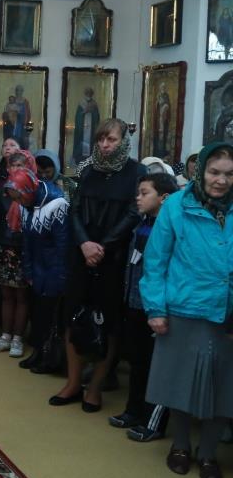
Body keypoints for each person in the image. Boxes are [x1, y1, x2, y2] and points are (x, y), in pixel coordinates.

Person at [141, 143, 233, 478]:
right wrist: (155, 308)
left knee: (225, 389)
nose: (221, 180)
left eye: (229, 174)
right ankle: (180, 446)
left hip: (228, 314)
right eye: (214, 172)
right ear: (201, 171)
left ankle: (208, 453)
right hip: (184, 308)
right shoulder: (177, 205)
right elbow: (156, 261)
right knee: (180, 384)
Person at [51, 119, 142, 413]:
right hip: (82, 254)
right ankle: (73, 383)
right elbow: (74, 209)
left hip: (113, 258)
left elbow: (133, 214)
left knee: (108, 322)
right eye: (101, 139)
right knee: (72, 317)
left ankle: (95, 388)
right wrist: (84, 244)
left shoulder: (137, 172)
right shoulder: (87, 170)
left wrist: (103, 246)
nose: (105, 145)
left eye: (111, 140)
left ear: (123, 141)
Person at [109, 172, 178, 443]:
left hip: (157, 306)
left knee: (157, 366)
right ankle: (133, 411)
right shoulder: (142, 222)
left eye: (144, 193)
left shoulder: (172, 227)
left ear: (164, 198)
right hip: (134, 300)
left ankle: (153, 422)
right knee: (138, 361)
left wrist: (161, 307)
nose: (138, 198)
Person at [18, 163, 70, 373]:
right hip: (37, 268)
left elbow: (62, 244)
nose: (18, 201)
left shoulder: (57, 204)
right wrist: (28, 270)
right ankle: (38, 352)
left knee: (50, 317)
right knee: (37, 315)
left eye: (19, 196)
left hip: (53, 269)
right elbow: (26, 241)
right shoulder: (25, 204)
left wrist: (60, 275)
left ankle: (50, 359)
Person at [0, 150, 36, 358]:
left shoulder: (34, 191)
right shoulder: (5, 190)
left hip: (24, 249)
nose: (16, 169)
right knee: (6, 295)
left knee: (21, 296)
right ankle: (5, 336)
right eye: (12, 165)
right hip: (4, 247)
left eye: (20, 165)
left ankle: (17, 339)